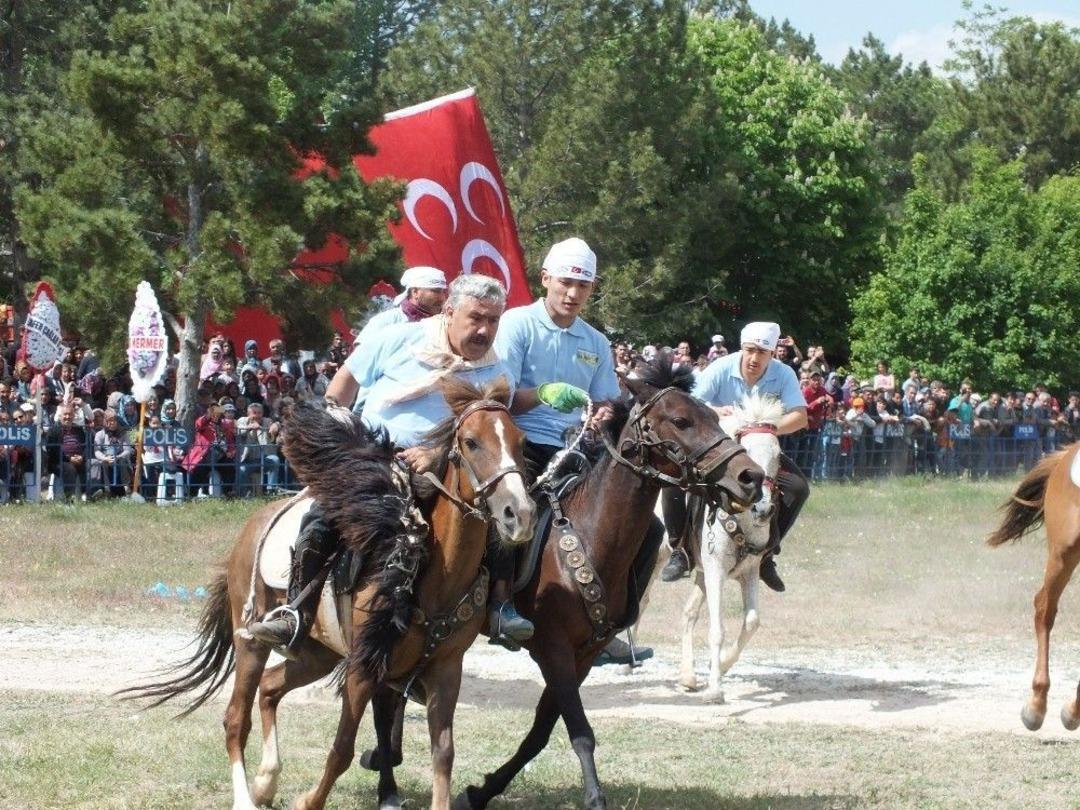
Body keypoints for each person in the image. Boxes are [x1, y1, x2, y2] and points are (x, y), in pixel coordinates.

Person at [246, 274, 516, 657]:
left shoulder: (494, 370)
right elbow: (344, 385)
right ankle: (297, 612)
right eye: (476, 318)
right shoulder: (397, 340)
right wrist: (338, 431)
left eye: (493, 321)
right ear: (450, 311)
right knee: (324, 517)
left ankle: (500, 609)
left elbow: (486, 432)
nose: (484, 329)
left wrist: (437, 456)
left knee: (504, 513)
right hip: (376, 458)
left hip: (450, 468)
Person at [494, 237, 652, 663]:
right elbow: (499, 396)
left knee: (646, 527)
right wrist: (543, 393)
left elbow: (606, 399)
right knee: (511, 511)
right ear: (545, 278)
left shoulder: (596, 342)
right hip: (521, 441)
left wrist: (602, 414)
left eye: (583, 286)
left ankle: (610, 624)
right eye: (565, 282)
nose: (572, 293)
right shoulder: (517, 325)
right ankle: (500, 605)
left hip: (578, 447)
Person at [661, 322, 809, 592]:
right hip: (715, 451)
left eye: (762, 352)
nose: (754, 358)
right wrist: (716, 411)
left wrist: (767, 426)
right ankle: (680, 550)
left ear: (773, 353)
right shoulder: (720, 368)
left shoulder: (784, 374)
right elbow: (688, 403)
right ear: (742, 347)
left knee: (798, 488)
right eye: (750, 350)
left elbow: (800, 416)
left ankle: (766, 554)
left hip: (759, 452)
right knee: (672, 480)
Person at [352, 265, 449, 350]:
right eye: (436, 291)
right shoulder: (388, 320)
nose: (442, 298)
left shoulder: (444, 322)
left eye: (443, 292)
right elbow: (359, 356)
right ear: (415, 292)